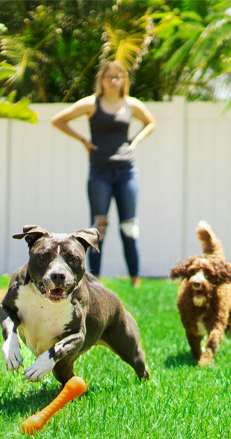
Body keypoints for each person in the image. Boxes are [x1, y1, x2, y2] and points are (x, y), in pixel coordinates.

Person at [51, 61, 156, 288]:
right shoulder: (92, 104)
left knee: (129, 227)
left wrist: (135, 142)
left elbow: (150, 122)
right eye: (109, 76)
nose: (113, 80)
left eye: (118, 77)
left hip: (126, 172)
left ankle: (135, 280)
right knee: (98, 229)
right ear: (102, 80)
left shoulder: (130, 105)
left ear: (124, 81)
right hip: (99, 173)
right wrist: (84, 141)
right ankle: (94, 282)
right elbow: (58, 120)